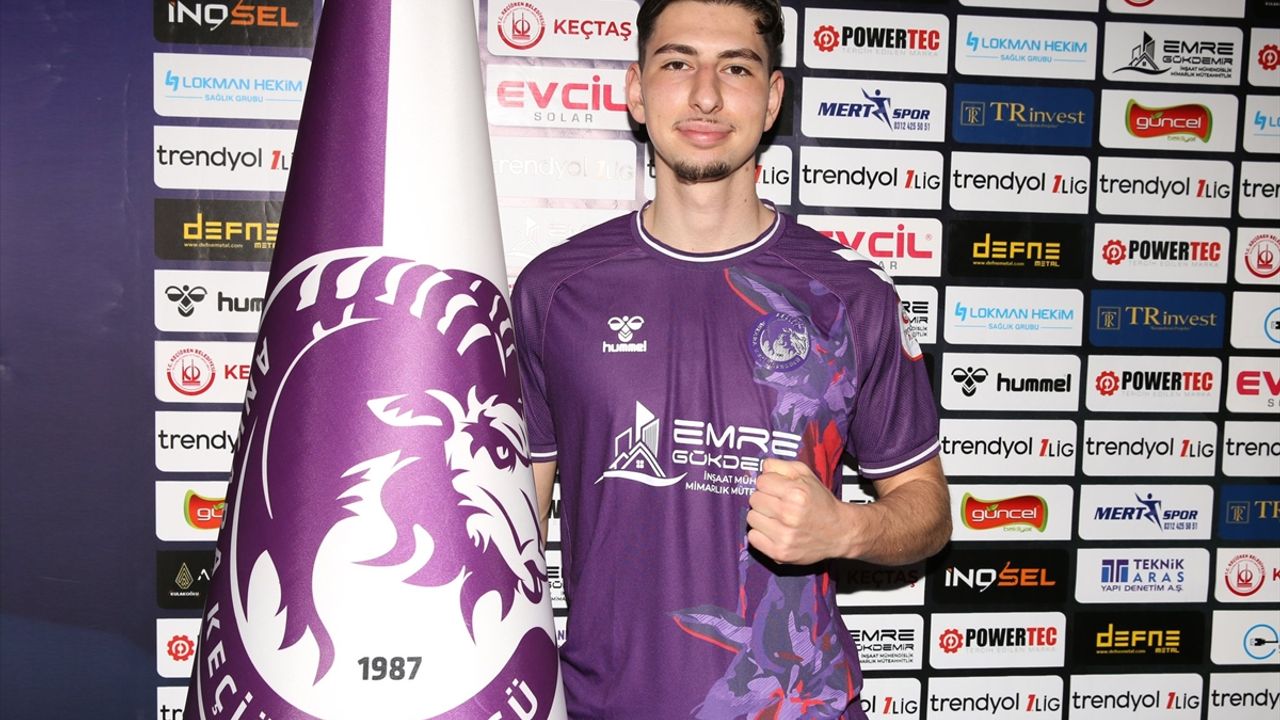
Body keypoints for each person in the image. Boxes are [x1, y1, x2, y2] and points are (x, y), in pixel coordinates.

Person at [511, 1, 951, 716]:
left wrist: (845, 528)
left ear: (773, 99)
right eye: (677, 63)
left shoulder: (849, 295)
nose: (706, 95)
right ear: (635, 90)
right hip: (605, 706)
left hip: (797, 704)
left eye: (736, 69)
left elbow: (927, 512)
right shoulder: (554, 291)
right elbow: (516, 527)